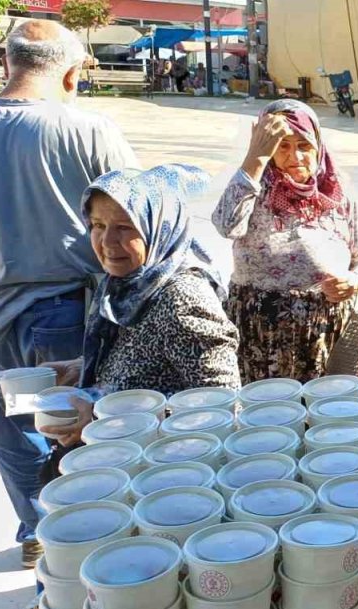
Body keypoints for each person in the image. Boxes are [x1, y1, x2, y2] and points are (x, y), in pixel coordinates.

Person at [0, 19, 138, 568]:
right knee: (76, 429)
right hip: (67, 313)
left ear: (5, 64)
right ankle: (81, 536)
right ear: (69, 73)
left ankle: (38, 530)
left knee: (16, 430)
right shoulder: (87, 129)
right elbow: (139, 214)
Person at [38, 164, 240, 446]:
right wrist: (81, 367)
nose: (108, 241)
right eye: (98, 225)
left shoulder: (182, 299)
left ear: (158, 227)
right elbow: (144, 362)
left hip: (161, 471)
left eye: (124, 227)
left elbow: (222, 408)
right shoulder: (127, 284)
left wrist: (101, 419)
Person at [212, 99, 358, 383]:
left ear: (318, 147)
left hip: (325, 335)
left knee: (326, 415)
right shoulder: (252, 191)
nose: (295, 156)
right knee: (268, 415)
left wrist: (354, 281)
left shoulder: (338, 198)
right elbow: (226, 225)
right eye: (282, 146)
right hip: (261, 337)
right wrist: (255, 158)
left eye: (304, 145)